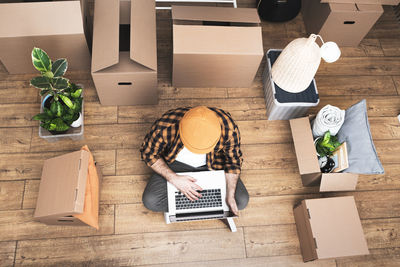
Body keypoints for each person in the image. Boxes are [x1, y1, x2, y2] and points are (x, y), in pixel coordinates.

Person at [140, 106, 249, 215]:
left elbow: (233, 162)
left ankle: (190, 203)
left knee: (241, 201)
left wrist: (230, 194)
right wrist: (173, 178)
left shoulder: (228, 127)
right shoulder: (165, 126)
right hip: (176, 166)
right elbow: (148, 153)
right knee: (151, 200)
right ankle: (208, 204)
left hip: (213, 165)